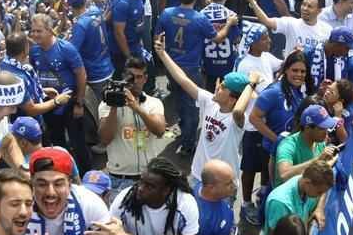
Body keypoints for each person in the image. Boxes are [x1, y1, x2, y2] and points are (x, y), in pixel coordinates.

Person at [154, 32, 256, 185]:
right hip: (198, 176)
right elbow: (183, 80)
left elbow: (238, 110)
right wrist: (163, 54)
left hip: (222, 184)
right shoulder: (210, 102)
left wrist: (251, 84)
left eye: (223, 87)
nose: (217, 87)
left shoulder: (238, 119)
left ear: (232, 98)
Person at [154, 0, 235, 157]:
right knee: (192, 106)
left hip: (171, 66)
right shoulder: (199, 19)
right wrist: (229, 23)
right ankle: (188, 144)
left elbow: (157, 38)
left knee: (178, 99)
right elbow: (218, 38)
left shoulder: (166, 14)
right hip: (190, 69)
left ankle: (184, 130)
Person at [29, 12, 90, 172]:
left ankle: (86, 173)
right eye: (33, 31)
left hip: (70, 103)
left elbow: (81, 74)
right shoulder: (34, 51)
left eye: (39, 31)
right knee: (57, 142)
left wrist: (79, 103)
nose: (35, 34)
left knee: (78, 143)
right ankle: (63, 172)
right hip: (49, 105)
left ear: (50, 30)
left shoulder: (66, 49)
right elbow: (33, 75)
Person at [97, 56, 168, 186]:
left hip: (148, 175)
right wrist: (114, 106)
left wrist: (136, 107)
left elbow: (160, 131)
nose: (134, 81)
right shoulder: (107, 105)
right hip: (119, 177)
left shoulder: (154, 103)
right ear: (124, 76)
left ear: (145, 78)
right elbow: (105, 139)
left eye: (139, 77)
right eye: (131, 76)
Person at [244, 0, 332, 54]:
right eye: (303, 4)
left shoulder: (328, 30)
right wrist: (251, 1)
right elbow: (266, 21)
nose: (305, 8)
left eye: (310, 6)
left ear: (319, 11)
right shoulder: (291, 23)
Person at [273, 104, 340, 187]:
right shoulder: (287, 145)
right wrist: (317, 161)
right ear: (308, 128)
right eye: (322, 128)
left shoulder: (320, 141)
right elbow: (284, 175)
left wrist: (328, 163)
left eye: (327, 128)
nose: (326, 133)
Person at [262, 161, 334, 235]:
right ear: (307, 182)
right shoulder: (280, 203)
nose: (320, 196)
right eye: (319, 192)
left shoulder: (306, 184)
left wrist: (319, 208)